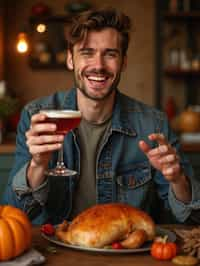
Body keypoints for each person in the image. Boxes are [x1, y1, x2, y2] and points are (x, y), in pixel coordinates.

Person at [3, 8, 200, 225]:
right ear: (71, 59)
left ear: (123, 62)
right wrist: (38, 166)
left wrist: (178, 180)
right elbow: (14, 216)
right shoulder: (37, 117)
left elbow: (192, 218)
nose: (98, 65)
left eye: (110, 54)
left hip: (124, 254)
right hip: (54, 254)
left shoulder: (154, 124)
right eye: (87, 52)